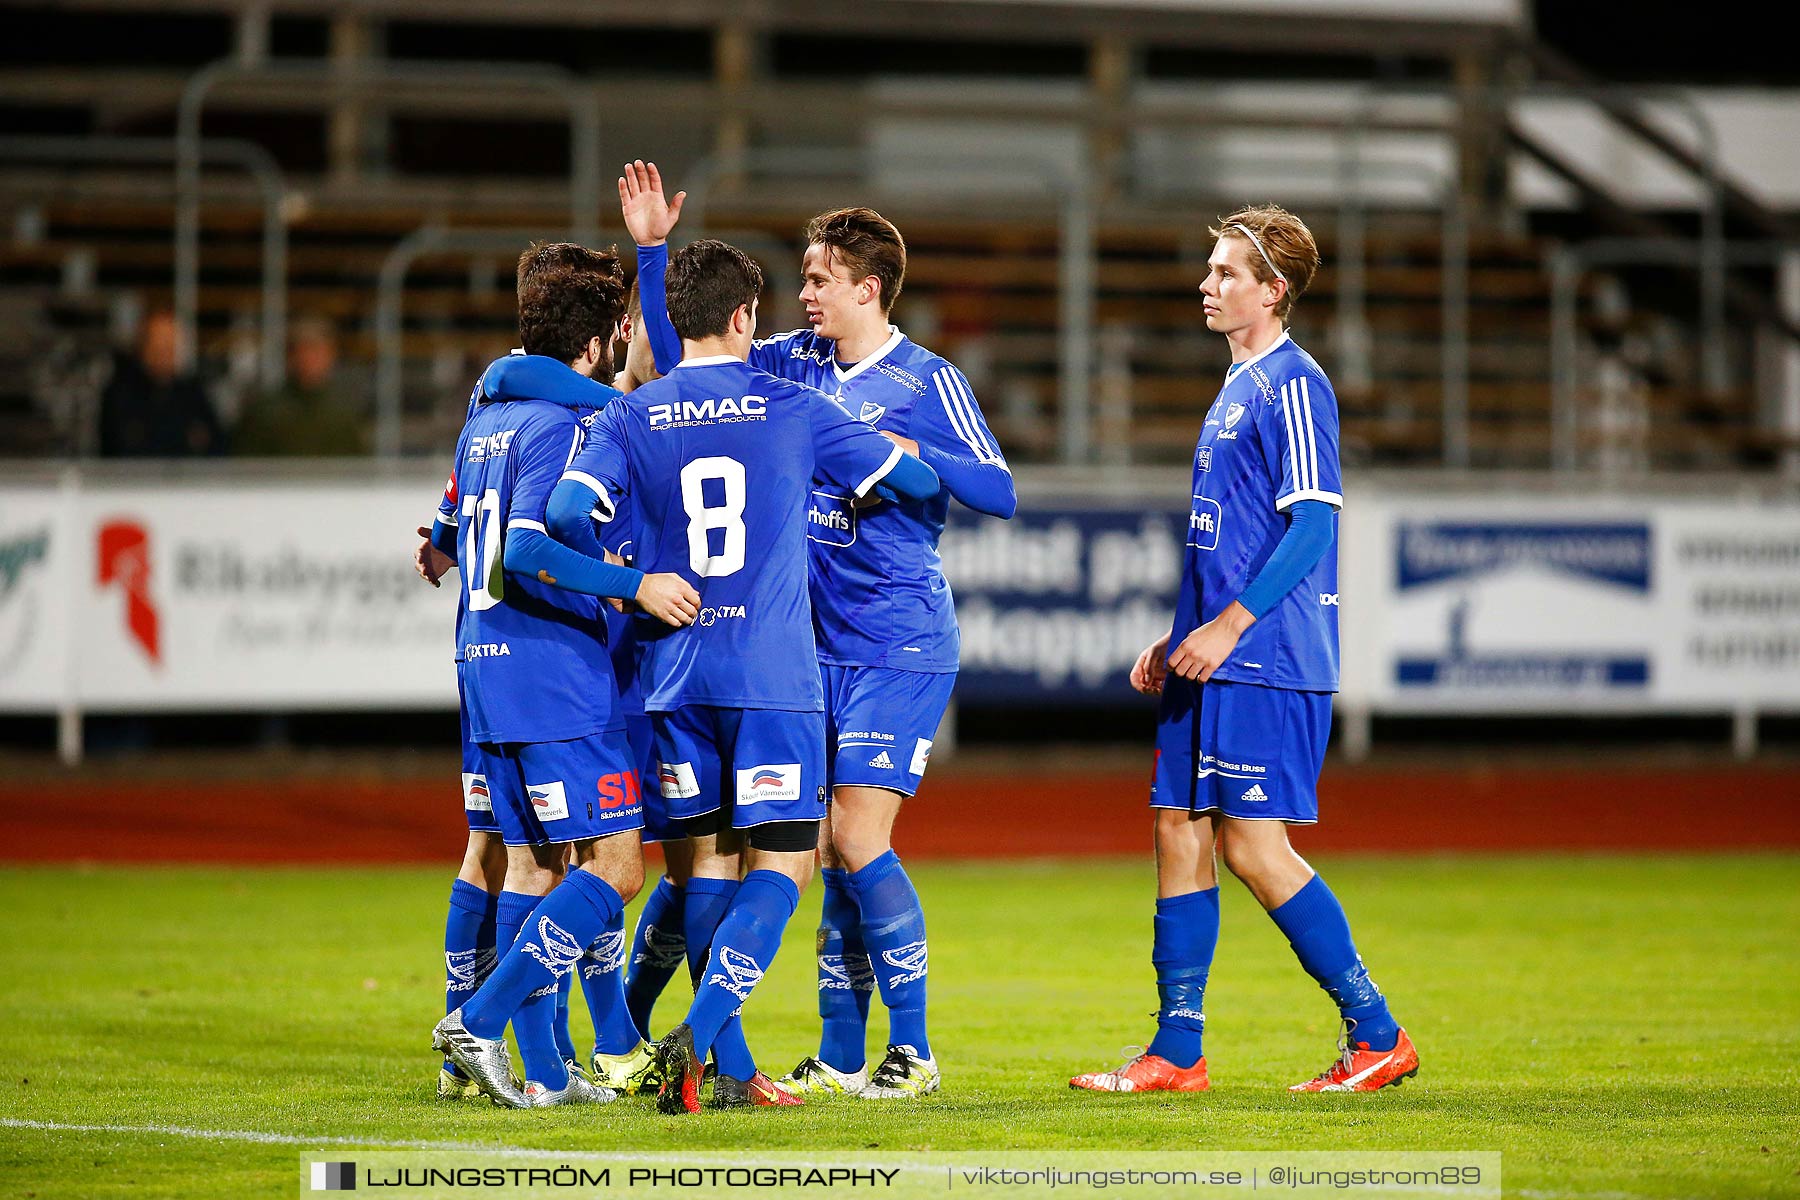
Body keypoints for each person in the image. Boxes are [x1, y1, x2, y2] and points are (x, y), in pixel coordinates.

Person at [621, 162, 1017, 1100]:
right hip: (803, 651)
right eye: (800, 280)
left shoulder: (928, 380)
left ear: (867, 288)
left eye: (817, 279)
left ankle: (911, 1051)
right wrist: (652, 258)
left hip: (895, 641)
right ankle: (843, 1056)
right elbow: (689, 358)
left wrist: (909, 452)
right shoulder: (791, 364)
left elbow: (998, 491)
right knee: (823, 849)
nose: (802, 294)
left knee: (852, 835)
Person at [545, 236, 940, 1113]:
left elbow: (567, 512)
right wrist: (901, 458)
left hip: (673, 673)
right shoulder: (793, 405)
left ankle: (722, 1067)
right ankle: (705, 1033)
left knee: (703, 873)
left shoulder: (634, 413)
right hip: (770, 676)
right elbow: (909, 480)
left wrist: (624, 579)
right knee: (786, 867)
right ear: (743, 318)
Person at [1069, 206, 1418, 1095]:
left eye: (1228, 273)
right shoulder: (1237, 386)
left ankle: (1377, 1032)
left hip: (1266, 653)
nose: (1208, 284)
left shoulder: (1294, 384)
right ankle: (1176, 1051)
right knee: (1176, 830)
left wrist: (1230, 626)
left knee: (1254, 849)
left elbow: (1312, 525)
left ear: (1274, 291)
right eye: (1210, 269)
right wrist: (1185, 630)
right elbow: (1234, 538)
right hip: (1218, 651)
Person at [426, 241, 701, 1108]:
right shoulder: (571, 423)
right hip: (554, 675)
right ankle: (476, 1025)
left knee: (529, 863)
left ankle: (541, 1070)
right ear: (605, 339)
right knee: (617, 867)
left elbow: (455, 527)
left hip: (486, 667)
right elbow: (528, 544)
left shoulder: (488, 414)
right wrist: (634, 586)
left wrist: (438, 540)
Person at [96, 308, 225, 457]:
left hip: (187, 479)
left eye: (169, 346)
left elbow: (216, 447)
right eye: (157, 345)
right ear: (144, 346)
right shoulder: (120, 394)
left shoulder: (193, 393)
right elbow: (120, 450)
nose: (163, 353)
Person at [235, 315, 367, 455]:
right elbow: (246, 463)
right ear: (290, 356)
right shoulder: (265, 411)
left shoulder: (346, 410)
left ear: (331, 355)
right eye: (303, 350)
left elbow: (358, 464)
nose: (309, 359)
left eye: (316, 351)